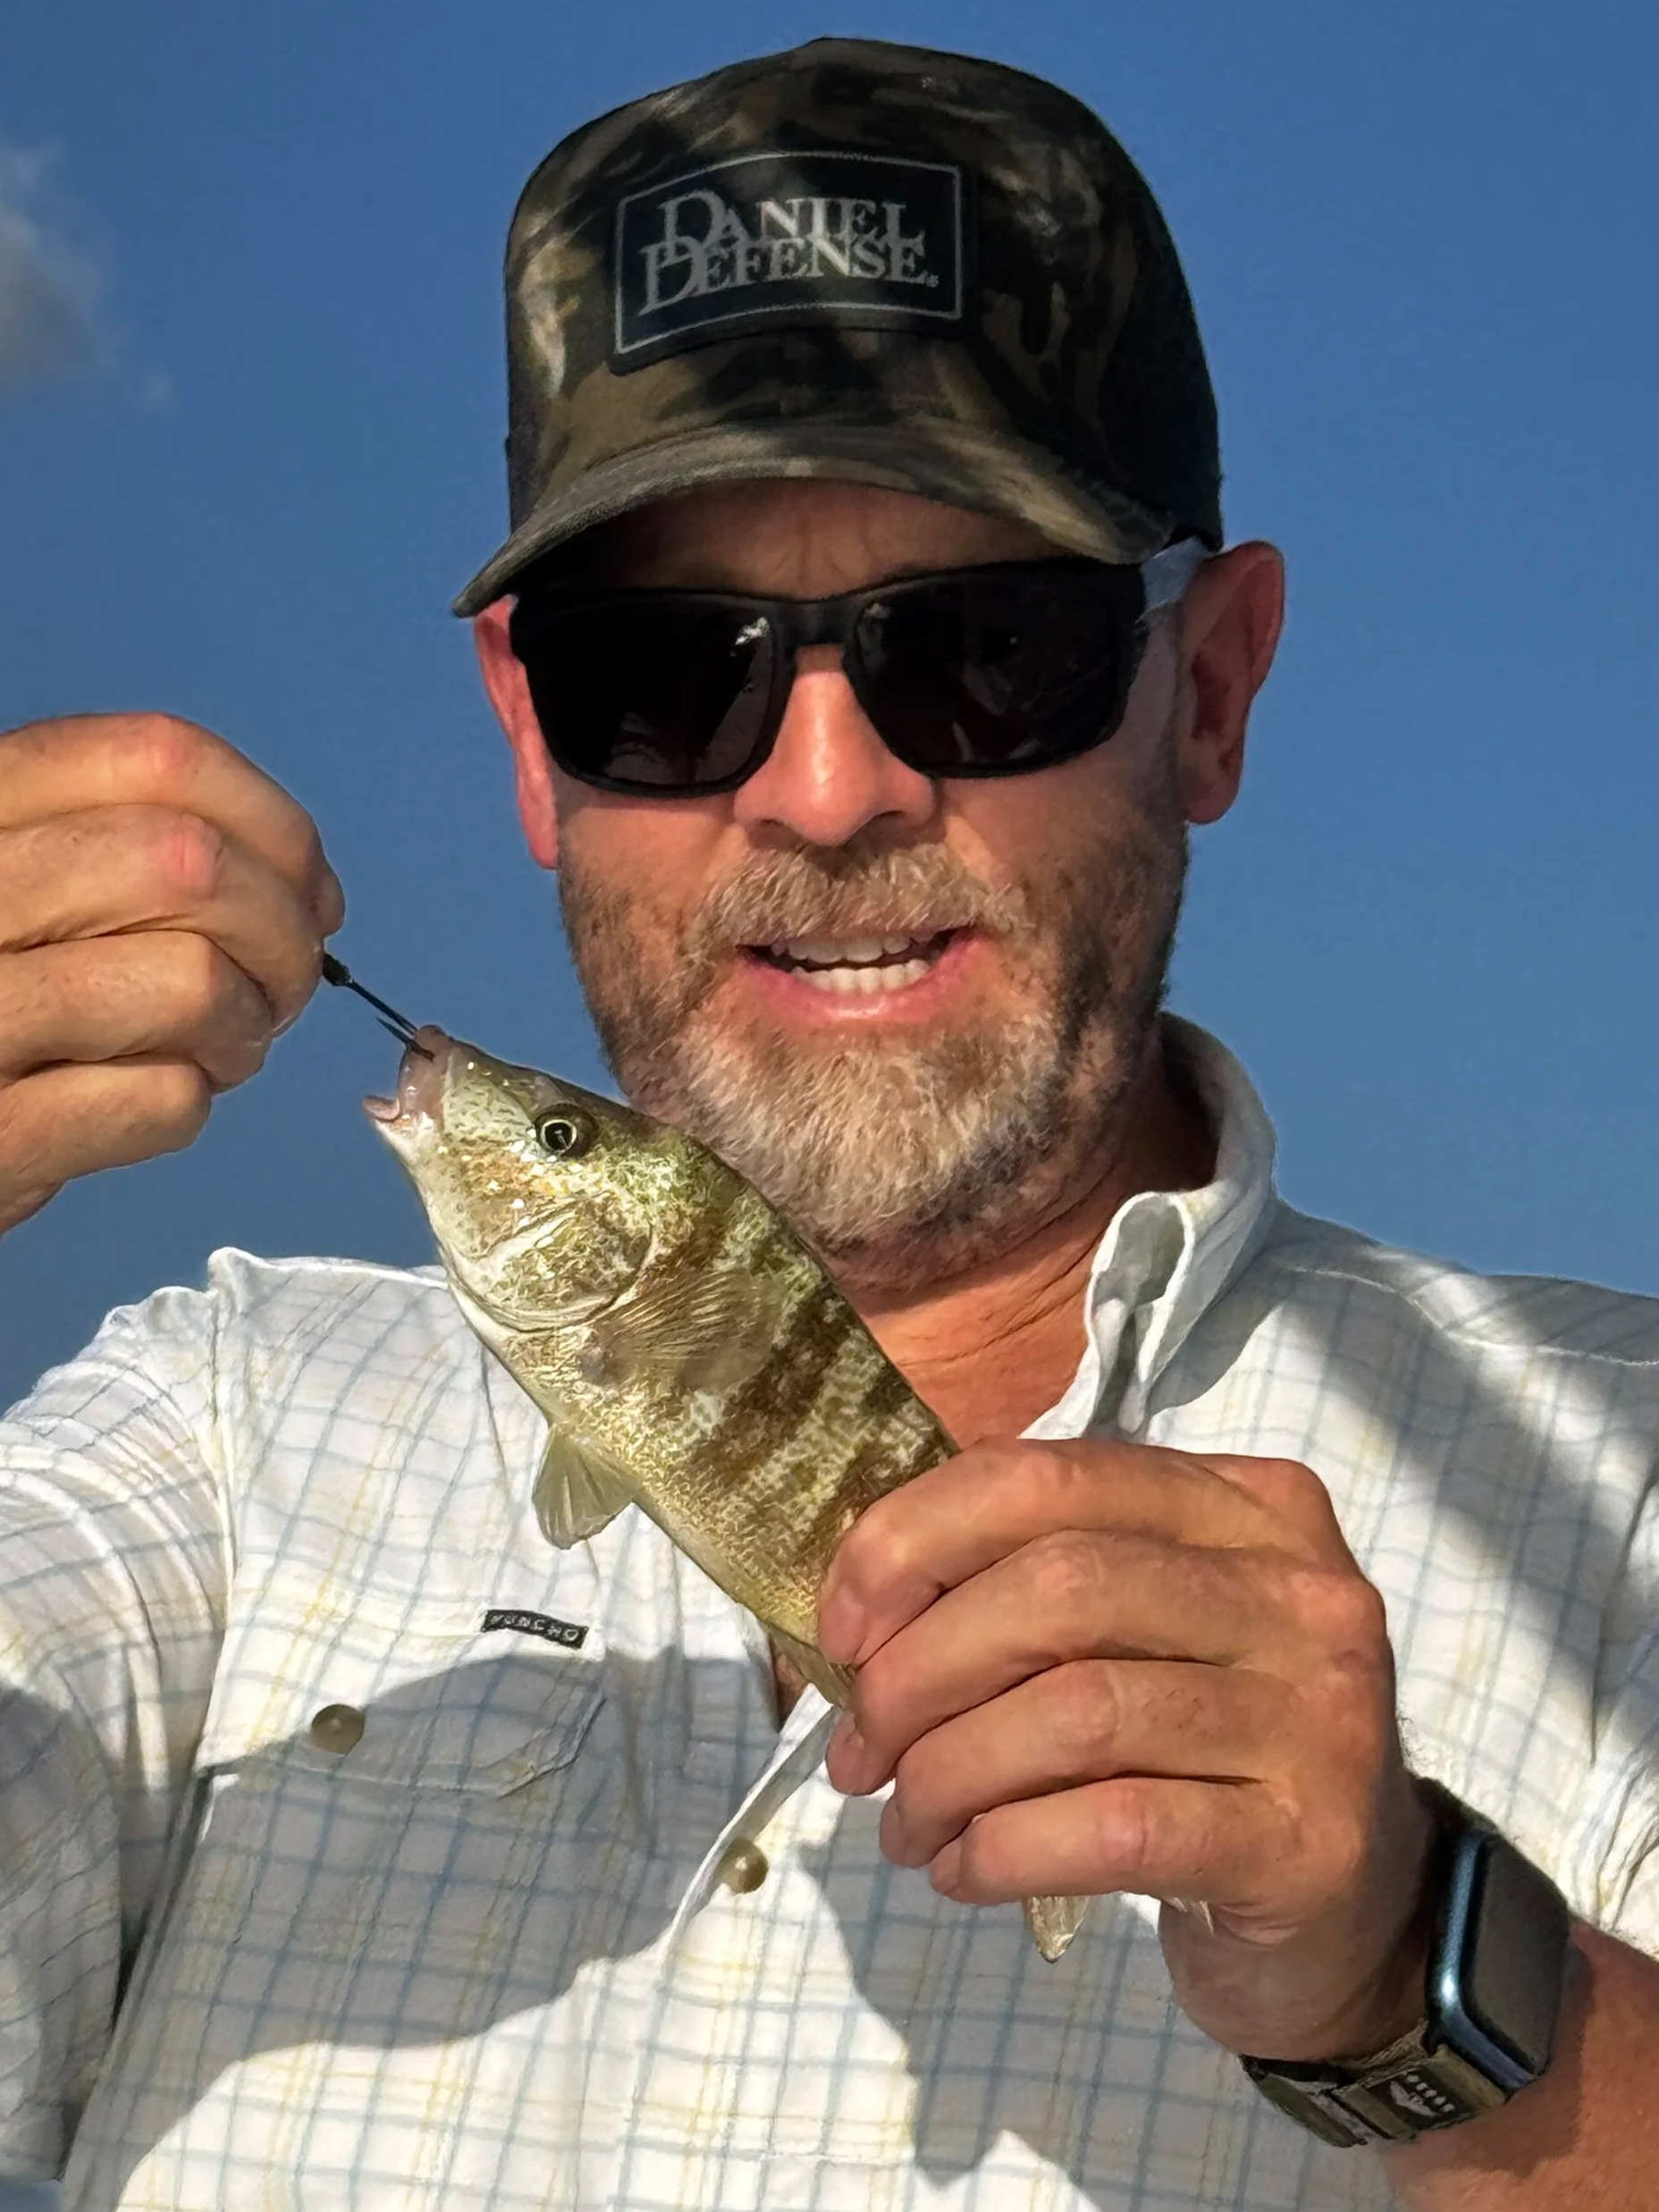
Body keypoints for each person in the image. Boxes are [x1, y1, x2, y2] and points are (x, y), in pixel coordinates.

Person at [0, 34, 1655, 2212]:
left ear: (1214, 687)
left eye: (983, 645)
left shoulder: (1617, 1509)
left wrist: (1428, 1969)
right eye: (662, 668)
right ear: (526, 735)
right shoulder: (211, 1431)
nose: (825, 785)